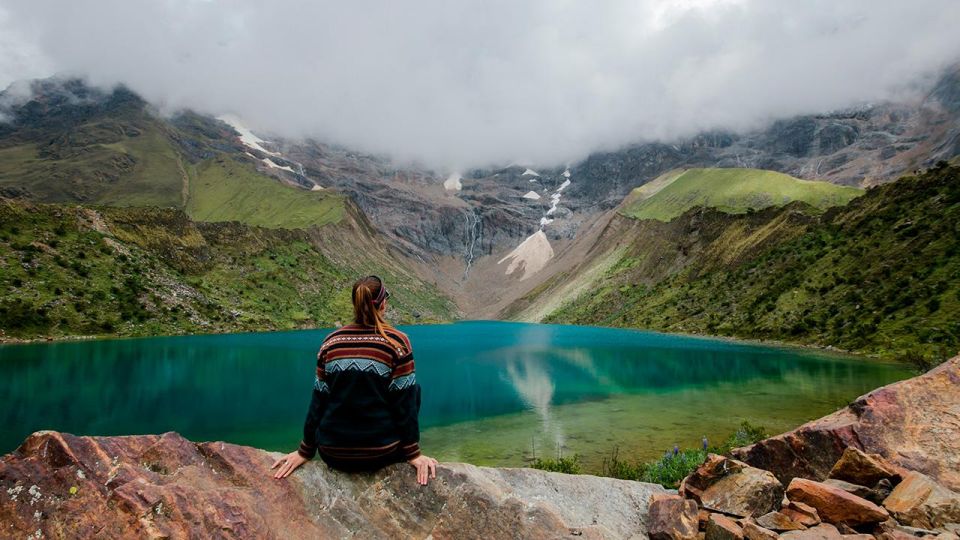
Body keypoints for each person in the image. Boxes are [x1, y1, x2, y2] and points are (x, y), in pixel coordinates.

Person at [270, 275, 438, 485]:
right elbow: (404, 404)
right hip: (381, 453)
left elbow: (319, 401)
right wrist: (413, 454)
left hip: (332, 452)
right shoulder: (397, 342)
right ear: (383, 303)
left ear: (355, 303)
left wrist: (305, 451)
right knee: (412, 389)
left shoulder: (331, 342)